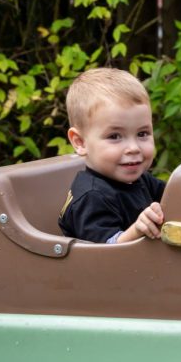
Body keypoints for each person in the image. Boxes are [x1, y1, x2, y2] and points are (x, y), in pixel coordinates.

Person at [58, 67, 166, 244]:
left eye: (142, 133)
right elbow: (107, 254)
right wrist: (137, 230)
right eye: (114, 136)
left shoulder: (141, 180)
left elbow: (176, 197)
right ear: (80, 142)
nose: (133, 148)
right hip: (91, 270)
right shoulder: (91, 197)